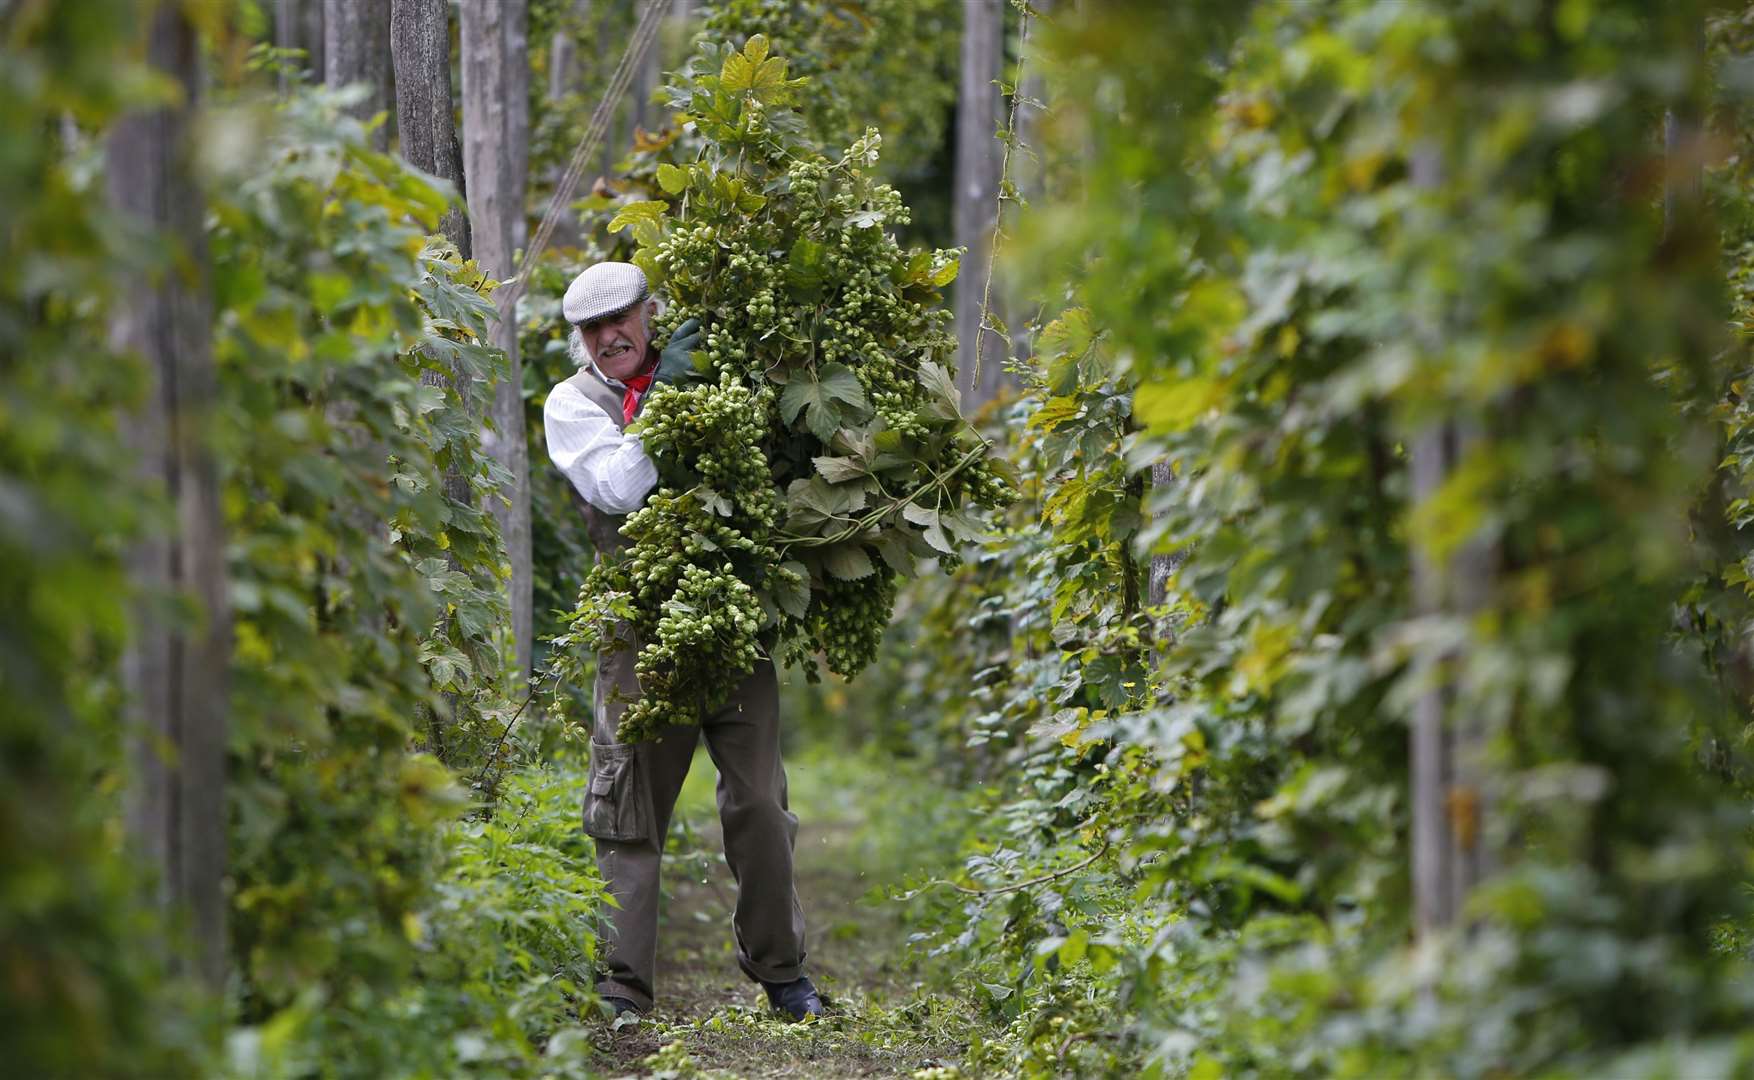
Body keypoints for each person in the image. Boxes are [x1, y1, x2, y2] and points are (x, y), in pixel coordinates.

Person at [542, 261, 824, 1022]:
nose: (609, 338)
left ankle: (784, 975)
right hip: (640, 628)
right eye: (593, 330)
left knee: (762, 804)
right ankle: (622, 985)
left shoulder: (715, 367)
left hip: (732, 616)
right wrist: (674, 398)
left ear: (651, 312)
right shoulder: (571, 403)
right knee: (629, 805)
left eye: (621, 320)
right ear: (580, 341)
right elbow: (617, 489)